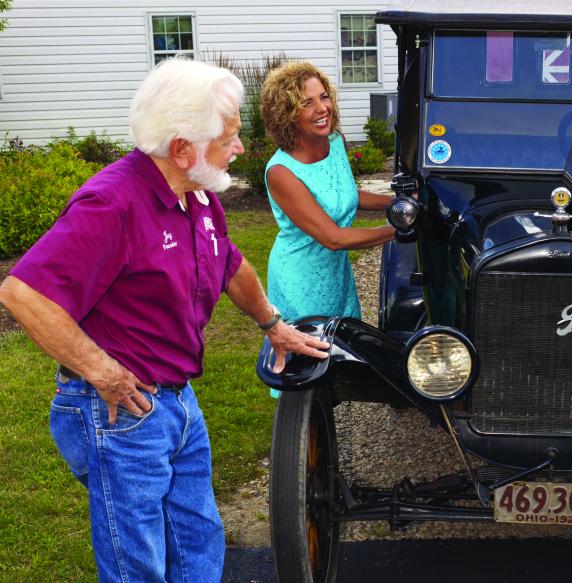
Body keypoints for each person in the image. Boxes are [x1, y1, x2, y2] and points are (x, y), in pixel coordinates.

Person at [0, 58, 329, 583]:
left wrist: (273, 323)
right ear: (182, 147)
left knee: (199, 539)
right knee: (140, 564)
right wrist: (103, 372)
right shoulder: (111, 203)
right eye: (228, 138)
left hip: (177, 402)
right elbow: (22, 293)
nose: (239, 148)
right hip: (120, 411)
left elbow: (229, 262)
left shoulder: (195, 193)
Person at [259, 62, 395, 396]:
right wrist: (398, 228)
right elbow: (333, 237)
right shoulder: (281, 171)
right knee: (303, 372)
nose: (322, 108)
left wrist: (395, 203)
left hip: (335, 275)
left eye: (324, 97)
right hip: (300, 279)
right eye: (307, 103)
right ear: (287, 113)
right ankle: (300, 440)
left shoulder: (333, 141)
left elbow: (345, 195)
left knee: (335, 361)